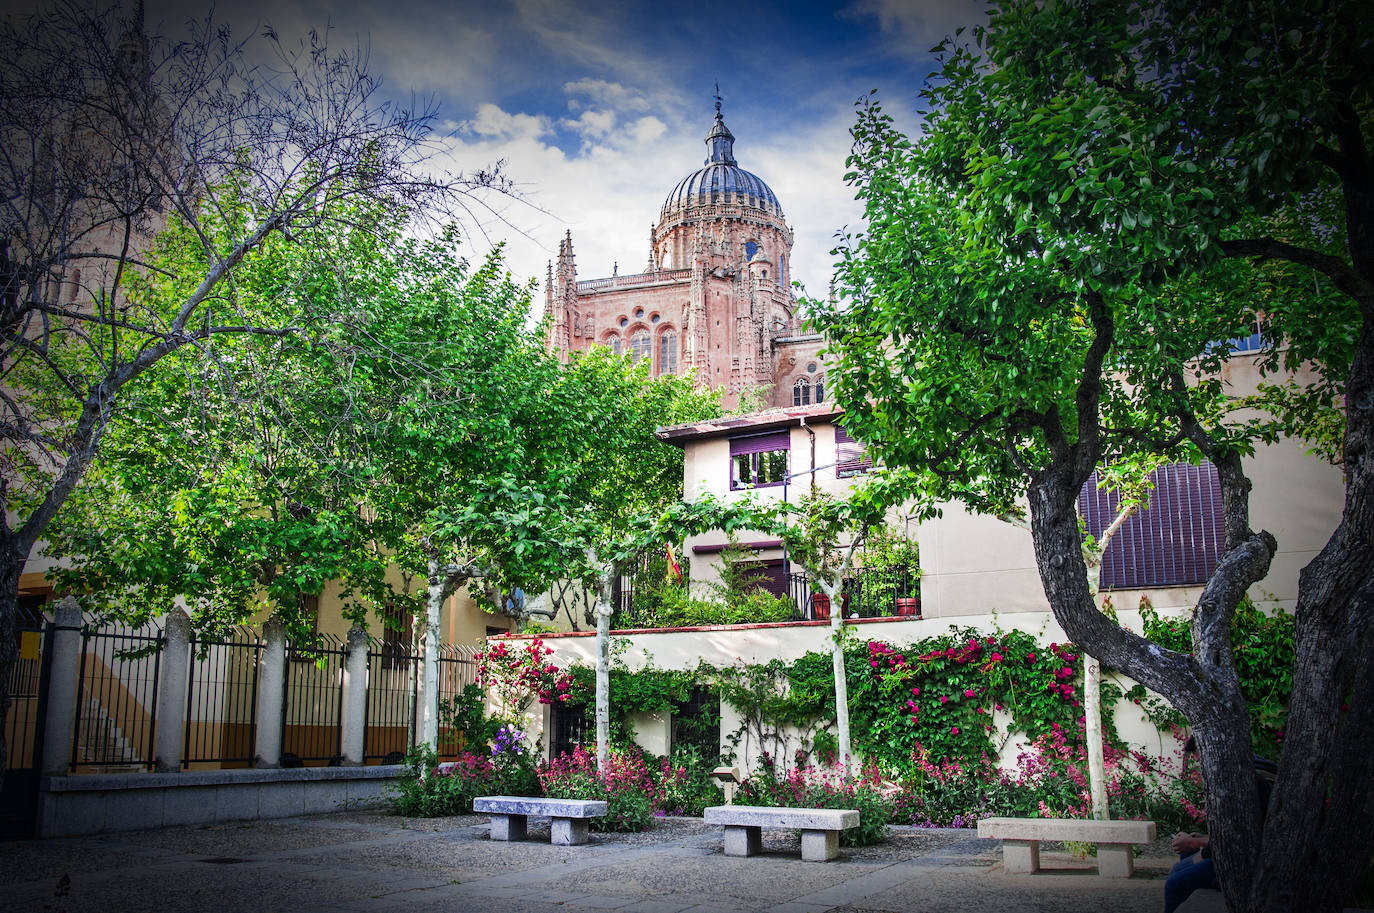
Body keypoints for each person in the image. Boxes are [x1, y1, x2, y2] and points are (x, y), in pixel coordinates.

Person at [1163, 736, 1275, 913]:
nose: (1200, 768)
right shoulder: (1244, 770)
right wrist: (1200, 840)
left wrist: (1199, 845)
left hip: (1246, 862)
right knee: (1185, 857)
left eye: (1200, 760)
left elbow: (1243, 837)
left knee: (1174, 884)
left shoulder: (1242, 782)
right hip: (1235, 852)